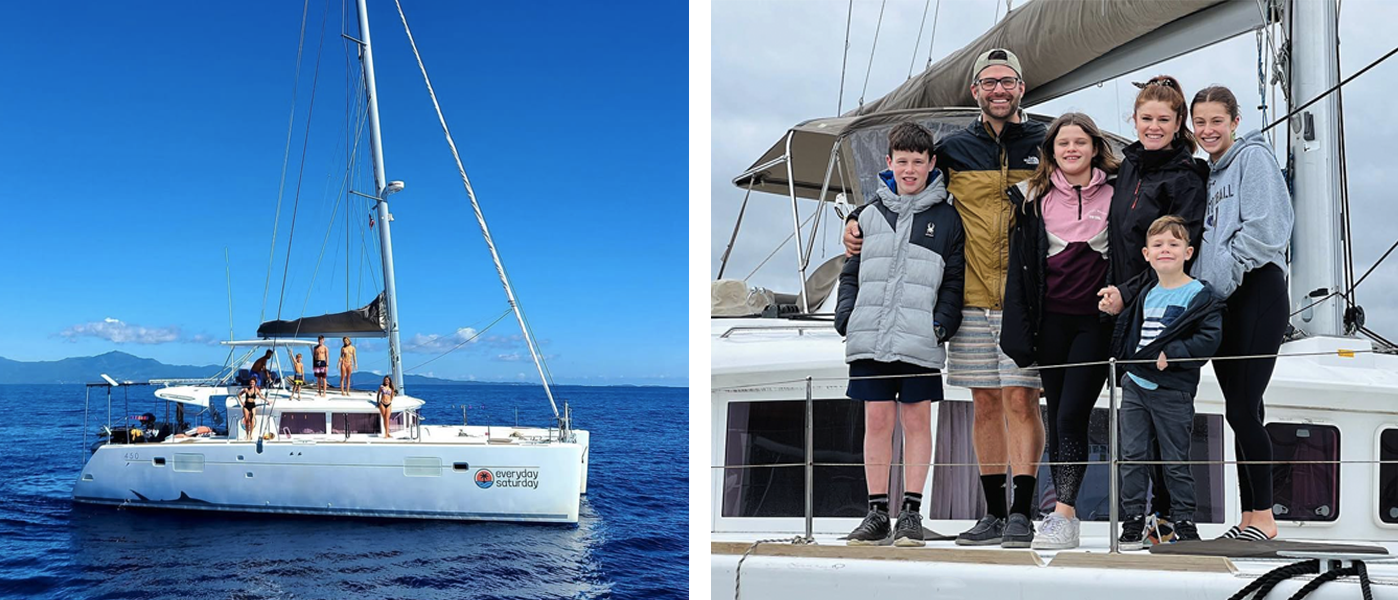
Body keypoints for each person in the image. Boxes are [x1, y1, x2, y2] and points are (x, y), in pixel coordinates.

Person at [848, 48, 1047, 548]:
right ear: (975, 91)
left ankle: (1023, 513)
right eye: (988, 82)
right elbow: (908, 188)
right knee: (984, 403)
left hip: (1027, 296)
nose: (998, 90)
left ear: (1021, 87)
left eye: (1007, 81)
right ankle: (995, 515)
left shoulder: (1047, 142)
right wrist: (857, 216)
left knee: (1022, 400)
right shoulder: (955, 149)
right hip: (975, 295)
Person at [834, 121, 965, 547]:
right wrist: (845, 315)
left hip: (919, 339)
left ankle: (910, 512)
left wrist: (941, 325)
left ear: (931, 164)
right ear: (889, 163)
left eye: (918, 162)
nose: (910, 170)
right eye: (902, 161)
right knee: (877, 422)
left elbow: (954, 279)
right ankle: (876, 513)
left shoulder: (947, 217)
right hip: (870, 337)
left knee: (916, 422)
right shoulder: (868, 215)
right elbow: (850, 272)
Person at [1097, 74, 1209, 543]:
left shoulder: (1185, 176)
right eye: (1146, 118)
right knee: (1135, 428)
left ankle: (1170, 519)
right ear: (1134, 119)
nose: (1154, 126)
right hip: (1123, 305)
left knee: (1166, 425)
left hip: (1155, 303)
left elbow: (1177, 247)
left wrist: (1129, 291)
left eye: (1165, 119)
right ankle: (1137, 519)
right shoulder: (1128, 168)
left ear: (1179, 122)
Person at [1000, 113, 1118, 550]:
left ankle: (1064, 514)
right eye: (1062, 143)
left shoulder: (1117, 191)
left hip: (1095, 322)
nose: (1071, 149)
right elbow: (1020, 268)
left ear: (1093, 147)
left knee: (1072, 414)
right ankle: (1062, 514)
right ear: (1051, 151)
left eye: (1079, 142)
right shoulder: (1033, 199)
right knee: (1057, 415)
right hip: (1051, 321)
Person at [1190, 86, 1294, 541]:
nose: (1208, 130)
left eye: (1216, 121)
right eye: (1200, 123)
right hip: (1222, 300)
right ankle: (1249, 518)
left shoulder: (1254, 158)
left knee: (1241, 408)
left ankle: (1266, 519)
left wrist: (1224, 278)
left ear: (1235, 121)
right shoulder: (1209, 175)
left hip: (1256, 290)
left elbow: (1266, 229)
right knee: (1240, 410)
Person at [1110, 215, 1222, 550]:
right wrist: (1127, 370)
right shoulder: (1144, 295)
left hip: (1173, 391)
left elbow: (1209, 338)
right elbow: (1130, 336)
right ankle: (1132, 523)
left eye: (1174, 244)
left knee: (1176, 460)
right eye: (1158, 245)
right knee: (1131, 456)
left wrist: (1173, 353)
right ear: (1146, 254)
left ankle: (1184, 522)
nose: (1165, 250)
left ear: (1189, 252)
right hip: (1135, 387)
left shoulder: (1200, 295)